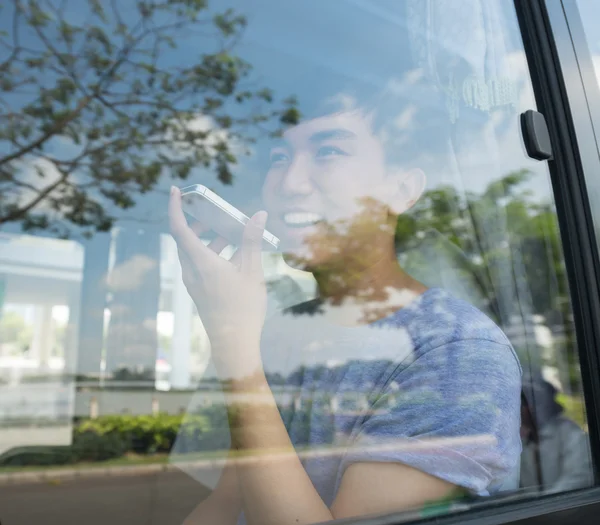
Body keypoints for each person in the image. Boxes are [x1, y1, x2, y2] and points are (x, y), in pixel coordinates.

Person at [168, 93, 522, 524]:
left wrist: (231, 343)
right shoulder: (278, 332)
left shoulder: (457, 351)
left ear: (402, 189)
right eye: (279, 157)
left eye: (329, 152)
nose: (290, 183)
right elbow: (224, 507)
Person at [520, 372, 593, 494]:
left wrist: (540, 504)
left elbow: (579, 479)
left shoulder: (571, 434)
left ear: (533, 407)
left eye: (521, 404)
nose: (516, 411)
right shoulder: (522, 443)